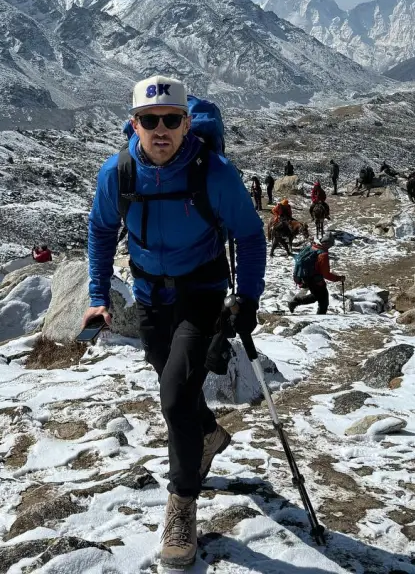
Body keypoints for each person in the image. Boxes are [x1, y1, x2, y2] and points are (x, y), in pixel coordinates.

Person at [83, 75, 265, 570]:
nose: (160, 130)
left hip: (202, 293)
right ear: (134, 123)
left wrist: (246, 297)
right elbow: (101, 232)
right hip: (149, 296)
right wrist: (99, 296)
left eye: (171, 120)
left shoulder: (214, 173)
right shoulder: (118, 174)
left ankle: (182, 504)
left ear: (187, 123)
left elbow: (249, 236)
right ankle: (206, 434)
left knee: (174, 393)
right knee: (168, 377)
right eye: (149, 120)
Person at [287, 235, 345, 315]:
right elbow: (326, 274)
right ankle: (295, 302)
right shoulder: (323, 255)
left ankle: (319, 314)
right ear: (327, 244)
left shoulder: (312, 247)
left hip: (306, 277)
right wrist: (339, 278)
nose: (330, 247)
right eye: (330, 245)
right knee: (322, 298)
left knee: (319, 297)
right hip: (315, 279)